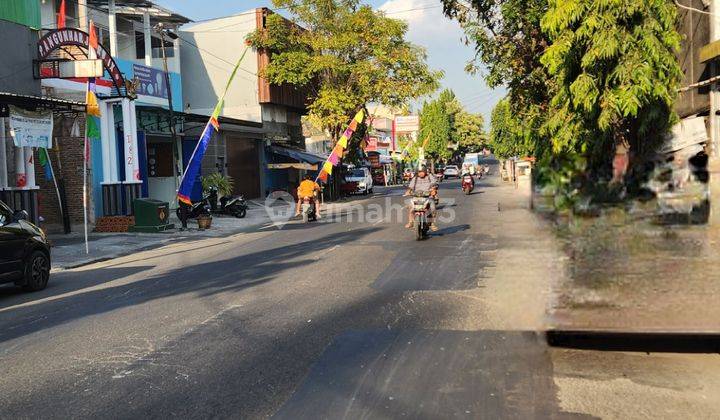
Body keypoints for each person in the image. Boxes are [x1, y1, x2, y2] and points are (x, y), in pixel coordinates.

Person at [404, 165, 438, 230]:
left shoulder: (429, 177)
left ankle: (431, 223)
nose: (421, 173)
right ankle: (411, 222)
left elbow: (434, 183)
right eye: (419, 172)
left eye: (422, 172)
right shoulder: (415, 178)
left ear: (425, 171)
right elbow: (410, 187)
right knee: (411, 207)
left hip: (428, 196)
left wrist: (434, 189)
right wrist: (408, 192)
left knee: (432, 208)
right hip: (416, 196)